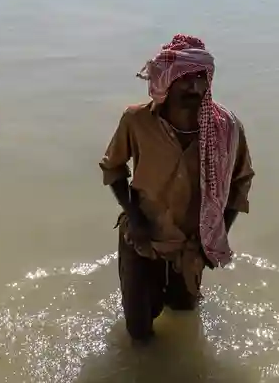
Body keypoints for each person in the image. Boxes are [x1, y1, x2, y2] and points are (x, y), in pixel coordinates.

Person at [99, 34, 254, 342]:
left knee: (184, 316)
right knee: (139, 331)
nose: (194, 88)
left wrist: (216, 234)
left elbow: (241, 182)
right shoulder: (137, 121)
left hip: (192, 246)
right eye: (185, 79)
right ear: (166, 80)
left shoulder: (226, 128)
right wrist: (135, 216)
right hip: (143, 239)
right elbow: (113, 168)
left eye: (200, 79)